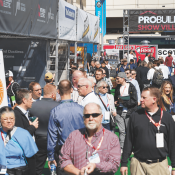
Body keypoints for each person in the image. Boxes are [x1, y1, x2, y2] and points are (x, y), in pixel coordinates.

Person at [120, 87, 175, 175]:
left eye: (144, 97)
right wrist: (124, 163)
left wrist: (174, 166)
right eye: (141, 97)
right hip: (138, 164)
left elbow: (172, 143)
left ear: (154, 99)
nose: (141, 100)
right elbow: (129, 140)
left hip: (159, 165)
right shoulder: (135, 116)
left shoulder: (167, 118)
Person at [59, 103, 121, 175]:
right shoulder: (73, 136)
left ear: (101, 117)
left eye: (94, 115)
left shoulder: (112, 138)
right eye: (87, 116)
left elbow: (114, 164)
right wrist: (78, 172)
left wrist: (96, 166)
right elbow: (63, 160)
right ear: (83, 118)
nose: (91, 118)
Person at [47, 80, 85, 175]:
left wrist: (51, 157)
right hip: (80, 149)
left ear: (58, 91)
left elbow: (52, 136)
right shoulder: (81, 109)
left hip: (63, 150)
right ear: (72, 90)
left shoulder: (55, 111)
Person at [29, 84, 59, 175]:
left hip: (38, 139)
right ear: (53, 94)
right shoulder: (58, 106)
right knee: (57, 166)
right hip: (55, 140)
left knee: (38, 167)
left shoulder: (33, 106)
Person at [0, 106, 38, 175]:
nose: (9, 121)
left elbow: (32, 158)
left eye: (12, 118)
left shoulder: (23, 133)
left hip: (19, 171)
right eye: (5, 119)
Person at [14, 89, 39, 175]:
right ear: (24, 100)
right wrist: (33, 127)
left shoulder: (23, 114)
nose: (32, 101)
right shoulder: (16, 114)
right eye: (31, 99)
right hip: (24, 158)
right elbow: (20, 136)